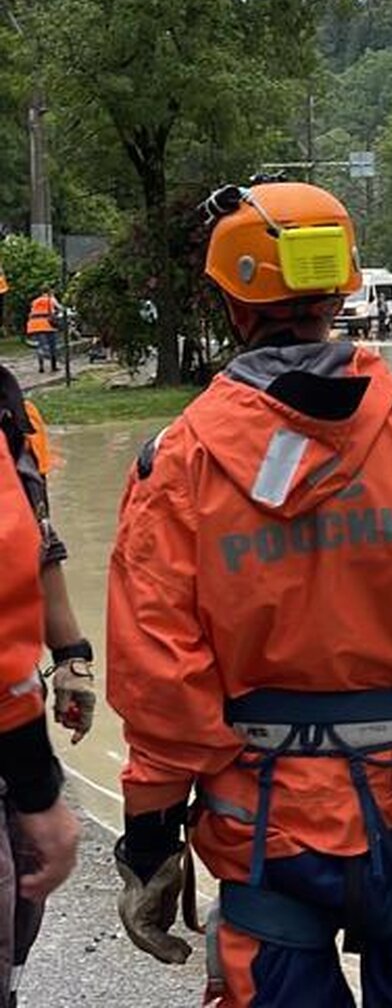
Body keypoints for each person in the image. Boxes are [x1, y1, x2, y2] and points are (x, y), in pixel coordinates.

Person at [106, 181, 392, 1007]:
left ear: (229, 302)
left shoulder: (175, 465)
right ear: (341, 289)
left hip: (265, 837)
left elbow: (161, 685)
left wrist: (150, 843)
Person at [0, 369, 82, 1007]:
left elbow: (34, 542)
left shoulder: (14, 418)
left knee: (19, 915)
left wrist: (72, 655)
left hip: (9, 724)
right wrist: (38, 788)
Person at [24, 287, 62, 375]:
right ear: (49, 293)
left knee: (41, 345)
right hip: (47, 324)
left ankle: (41, 367)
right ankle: (53, 367)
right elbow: (59, 308)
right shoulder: (50, 299)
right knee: (52, 346)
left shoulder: (35, 301)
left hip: (34, 325)